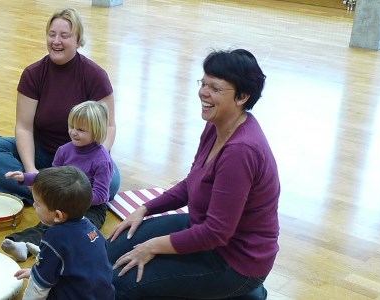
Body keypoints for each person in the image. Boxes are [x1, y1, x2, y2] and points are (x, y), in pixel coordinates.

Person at [106, 49, 279, 300]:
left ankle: (246, 293)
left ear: (242, 97)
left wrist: (152, 247)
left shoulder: (241, 151)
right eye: (203, 83)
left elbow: (216, 234)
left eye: (215, 88)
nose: (203, 93)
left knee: (123, 283)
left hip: (236, 261)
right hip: (203, 229)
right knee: (112, 247)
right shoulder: (216, 125)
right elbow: (192, 183)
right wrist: (144, 208)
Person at [0, 7, 120, 204]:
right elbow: (24, 128)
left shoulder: (95, 75)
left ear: (78, 40)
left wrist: (96, 157)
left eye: (64, 36)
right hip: (43, 152)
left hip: (83, 156)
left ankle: (44, 193)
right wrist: (31, 168)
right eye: (52, 35)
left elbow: (109, 126)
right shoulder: (33, 74)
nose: (56, 41)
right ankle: (59, 194)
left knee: (112, 183)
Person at [1, 101, 114, 262]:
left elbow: (101, 195)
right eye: (71, 126)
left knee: (79, 232)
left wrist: (74, 199)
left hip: (90, 208)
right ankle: (23, 245)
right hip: (63, 202)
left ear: (96, 132)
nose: (73, 132)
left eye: (81, 130)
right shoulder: (64, 150)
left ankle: (49, 253)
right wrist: (26, 178)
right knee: (47, 223)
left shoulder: (102, 160)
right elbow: (51, 176)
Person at [13, 166, 115, 299]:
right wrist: (37, 271)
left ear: (58, 216)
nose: (33, 206)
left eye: (37, 204)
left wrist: (38, 277)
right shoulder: (92, 229)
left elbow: (38, 288)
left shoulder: (54, 238)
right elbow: (76, 264)